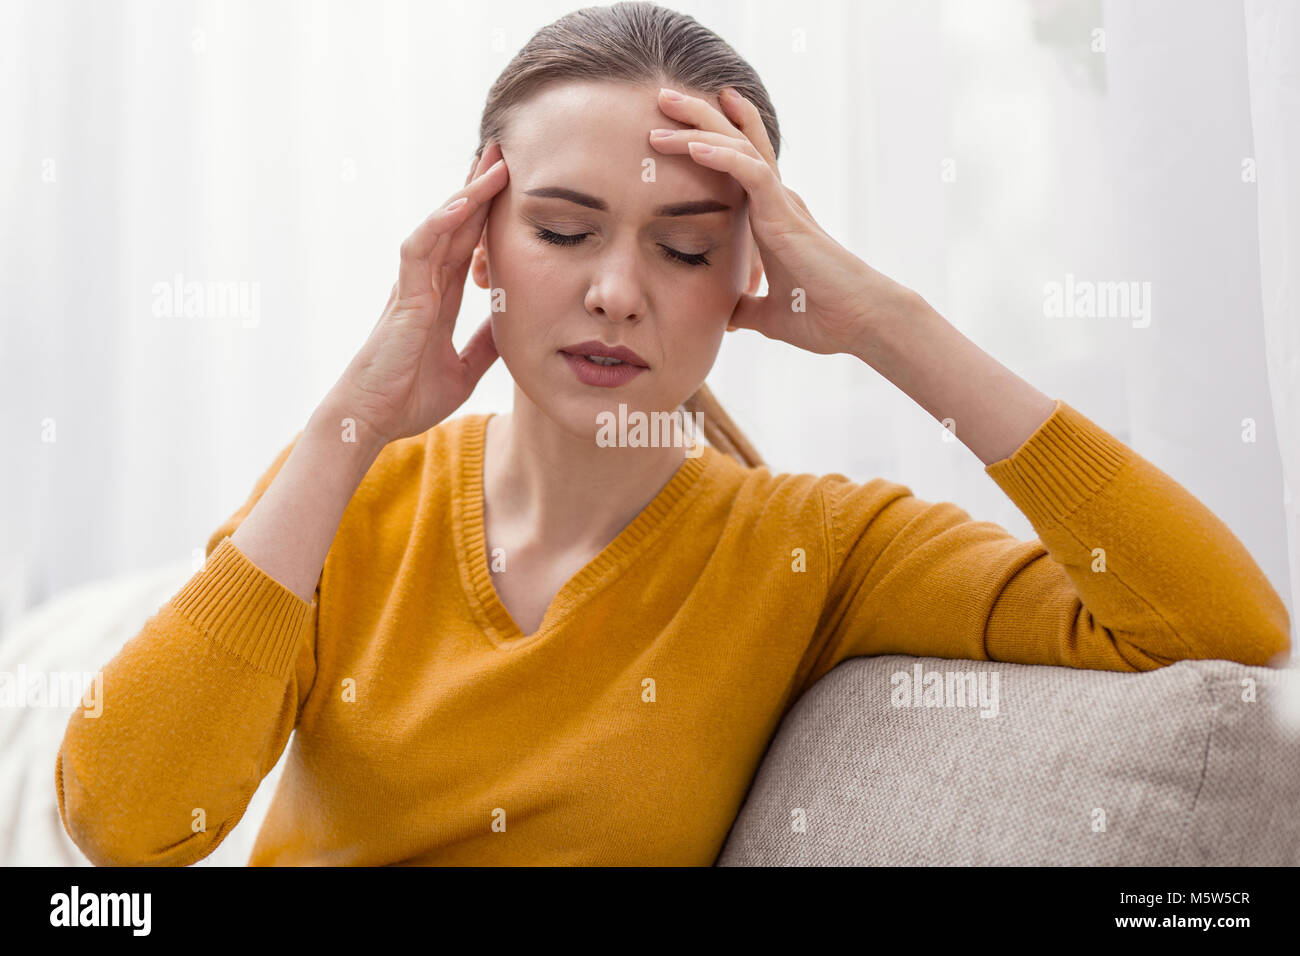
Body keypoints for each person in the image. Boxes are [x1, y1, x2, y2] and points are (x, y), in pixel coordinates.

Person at [56, 1, 1290, 867]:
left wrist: (888, 322)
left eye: (687, 244)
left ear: (751, 270)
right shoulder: (352, 496)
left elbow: (1216, 624)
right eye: (561, 229)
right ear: (476, 243)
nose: (617, 291)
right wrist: (350, 422)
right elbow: (119, 822)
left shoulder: (815, 549)